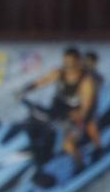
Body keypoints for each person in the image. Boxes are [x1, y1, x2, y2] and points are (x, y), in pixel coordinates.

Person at [21, 47, 101, 175]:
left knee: (68, 143)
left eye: (71, 63)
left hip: (75, 114)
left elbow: (86, 107)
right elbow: (44, 80)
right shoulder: (59, 72)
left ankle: (80, 164)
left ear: (78, 62)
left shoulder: (86, 82)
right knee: (33, 125)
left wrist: (76, 116)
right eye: (66, 62)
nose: (68, 66)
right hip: (57, 109)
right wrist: (26, 89)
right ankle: (38, 156)